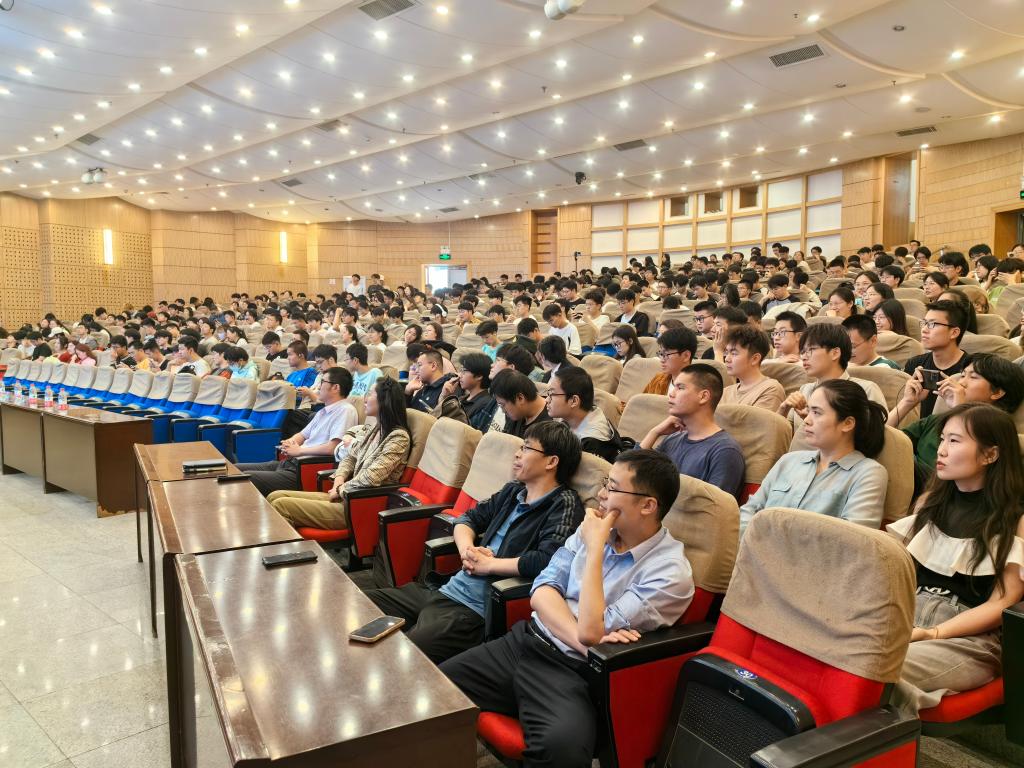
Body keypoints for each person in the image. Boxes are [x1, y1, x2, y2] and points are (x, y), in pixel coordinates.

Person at [440, 449, 692, 768]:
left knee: (562, 751)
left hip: (573, 671)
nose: (601, 494)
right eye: (605, 483)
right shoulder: (592, 528)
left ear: (648, 505)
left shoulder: (670, 573)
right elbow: (542, 592)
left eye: (613, 488)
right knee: (437, 691)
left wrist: (595, 549)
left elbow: (591, 629)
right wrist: (582, 636)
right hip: (528, 642)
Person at [367, 421, 585, 664]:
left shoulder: (564, 503)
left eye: (526, 448)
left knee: (402, 655)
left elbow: (546, 560)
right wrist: (467, 552)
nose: (517, 453)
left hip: (474, 610)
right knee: (363, 603)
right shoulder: (513, 491)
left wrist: (489, 566)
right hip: (444, 588)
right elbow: (467, 519)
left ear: (551, 462)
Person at [888, 403, 1024, 715]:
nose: (941, 450)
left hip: (968, 637)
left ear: (990, 455)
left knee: (878, 669)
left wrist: (933, 633)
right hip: (908, 612)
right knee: (837, 652)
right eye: (942, 439)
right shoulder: (929, 502)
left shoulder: (1017, 519)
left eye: (955, 440)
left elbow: (1003, 602)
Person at [740, 379, 889, 536]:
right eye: (809, 411)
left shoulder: (868, 473)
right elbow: (749, 511)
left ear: (847, 423)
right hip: (755, 548)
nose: (806, 420)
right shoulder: (788, 461)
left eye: (817, 413)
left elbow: (853, 540)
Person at [268, 377, 411, 530]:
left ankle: (292, 545)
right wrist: (339, 479)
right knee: (274, 496)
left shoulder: (398, 437)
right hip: (346, 495)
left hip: (360, 506)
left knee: (280, 505)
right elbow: (350, 457)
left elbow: (371, 477)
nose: (365, 398)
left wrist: (340, 489)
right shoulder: (376, 429)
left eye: (370, 394)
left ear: (384, 400)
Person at [892, 354, 1024, 486]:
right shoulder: (935, 420)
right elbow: (885, 442)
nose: (961, 383)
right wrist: (907, 402)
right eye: (962, 375)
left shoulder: (998, 431)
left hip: (935, 486)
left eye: (973, 377)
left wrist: (960, 410)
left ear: (997, 392)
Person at [237, 368, 359, 496]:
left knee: (245, 478)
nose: (318, 387)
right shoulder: (323, 411)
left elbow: (333, 447)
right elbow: (302, 435)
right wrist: (290, 442)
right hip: (292, 463)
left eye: (323, 382)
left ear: (335, 387)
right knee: (236, 469)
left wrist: (300, 450)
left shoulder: (345, 410)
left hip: (306, 469)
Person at [639, 363, 746, 498]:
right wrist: (654, 433)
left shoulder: (725, 451)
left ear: (703, 396)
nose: (671, 394)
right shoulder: (673, 438)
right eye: (674, 387)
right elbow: (633, 476)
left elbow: (715, 506)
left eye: (680, 388)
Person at [779, 323, 887, 426]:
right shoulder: (805, 390)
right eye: (802, 352)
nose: (804, 357)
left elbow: (875, 434)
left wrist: (812, 421)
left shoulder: (866, 390)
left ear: (835, 353)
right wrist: (783, 410)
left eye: (811, 349)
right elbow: (785, 434)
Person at [904, 300, 972, 419]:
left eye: (932, 324)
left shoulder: (970, 371)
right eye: (924, 323)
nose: (924, 329)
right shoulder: (915, 364)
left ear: (954, 332)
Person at [545, 365, 620, 461]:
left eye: (552, 394)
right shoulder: (578, 416)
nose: (547, 400)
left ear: (574, 401)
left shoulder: (592, 443)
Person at [721, 326, 785, 411]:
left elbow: (756, 420)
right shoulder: (725, 392)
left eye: (734, 353)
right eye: (726, 352)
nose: (727, 359)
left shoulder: (770, 389)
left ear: (755, 359)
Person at [437, 352, 499, 433]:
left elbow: (467, 432)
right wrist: (444, 396)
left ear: (478, 376)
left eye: (464, 371)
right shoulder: (462, 398)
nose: (460, 375)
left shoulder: (486, 404)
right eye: (460, 370)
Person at [491, 369, 552, 438]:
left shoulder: (549, 426)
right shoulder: (516, 414)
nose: (503, 411)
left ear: (520, 398)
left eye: (502, 405)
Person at [643, 327, 697, 395]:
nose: (662, 360)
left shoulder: (697, 387)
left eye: (666, 354)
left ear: (686, 356)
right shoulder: (658, 380)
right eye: (661, 354)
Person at [406, 348, 456, 413]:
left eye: (419, 365)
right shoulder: (423, 389)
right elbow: (406, 414)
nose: (416, 370)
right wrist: (407, 392)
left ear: (433, 366)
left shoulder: (449, 387)